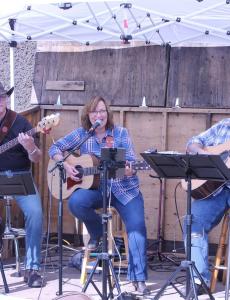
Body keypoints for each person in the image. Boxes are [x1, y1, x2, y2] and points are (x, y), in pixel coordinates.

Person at [48, 96, 150, 294]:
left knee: (137, 227)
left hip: (125, 189)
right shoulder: (82, 134)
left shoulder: (120, 133)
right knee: (76, 202)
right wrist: (66, 165)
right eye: (95, 112)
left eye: (102, 111)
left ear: (108, 113)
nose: (99, 115)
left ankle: (139, 279)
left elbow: (130, 161)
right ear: (89, 115)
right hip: (98, 189)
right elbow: (55, 148)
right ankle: (100, 236)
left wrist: (130, 169)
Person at [0, 82, 43, 288]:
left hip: (20, 176)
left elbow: (37, 159)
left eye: (2, 98)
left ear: (6, 99)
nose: (0, 102)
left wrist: (30, 146)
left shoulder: (21, 123)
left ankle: (32, 268)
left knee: (35, 213)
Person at [184, 118, 230, 294]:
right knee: (193, 223)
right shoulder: (225, 125)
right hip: (215, 190)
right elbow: (193, 142)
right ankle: (198, 280)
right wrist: (203, 154)